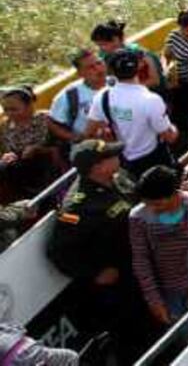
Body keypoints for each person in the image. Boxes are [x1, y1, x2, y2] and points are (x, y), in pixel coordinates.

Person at [47, 139, 143, 357]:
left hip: (141, 258)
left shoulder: (119, 176)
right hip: (120, 278)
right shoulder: (77, 207)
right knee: (130, 331)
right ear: (97, 167)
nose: (117, 157)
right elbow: (59, 251)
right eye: (110, 156)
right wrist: (94, 274)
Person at [129, 165, 188, 334]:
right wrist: (154, 300)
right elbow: (141, 259)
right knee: (182, 334)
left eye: (158, 204)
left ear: (174, 193)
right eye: (147, 204)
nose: (153, 209)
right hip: (167, 291)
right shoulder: (138, 217)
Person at [87, 49, 177, 178]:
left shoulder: (101, 97)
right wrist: (174, 128)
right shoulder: (151, 100)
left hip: (124, 163)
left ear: (111, 72)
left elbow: (89, 132)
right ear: (139, 65)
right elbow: (170, 137)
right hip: (155, 160)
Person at [0, 86, 60, 200]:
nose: (9, 113)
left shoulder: (45, 119)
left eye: (14, 109)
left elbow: (59, 146)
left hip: (45, 163)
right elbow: (8, 150)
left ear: (29, 106)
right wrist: (8, 155)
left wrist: (37, 149)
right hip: (19, 166)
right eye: (6, 110)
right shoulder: (6, 126)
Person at [48, 48, 109, 146]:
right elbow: (52, 123)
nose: (98, 69)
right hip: (89, 147)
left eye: (99, 63)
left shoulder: (119, 84)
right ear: (80, 74)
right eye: (90, 67)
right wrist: (75, 137)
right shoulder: (69, 95)